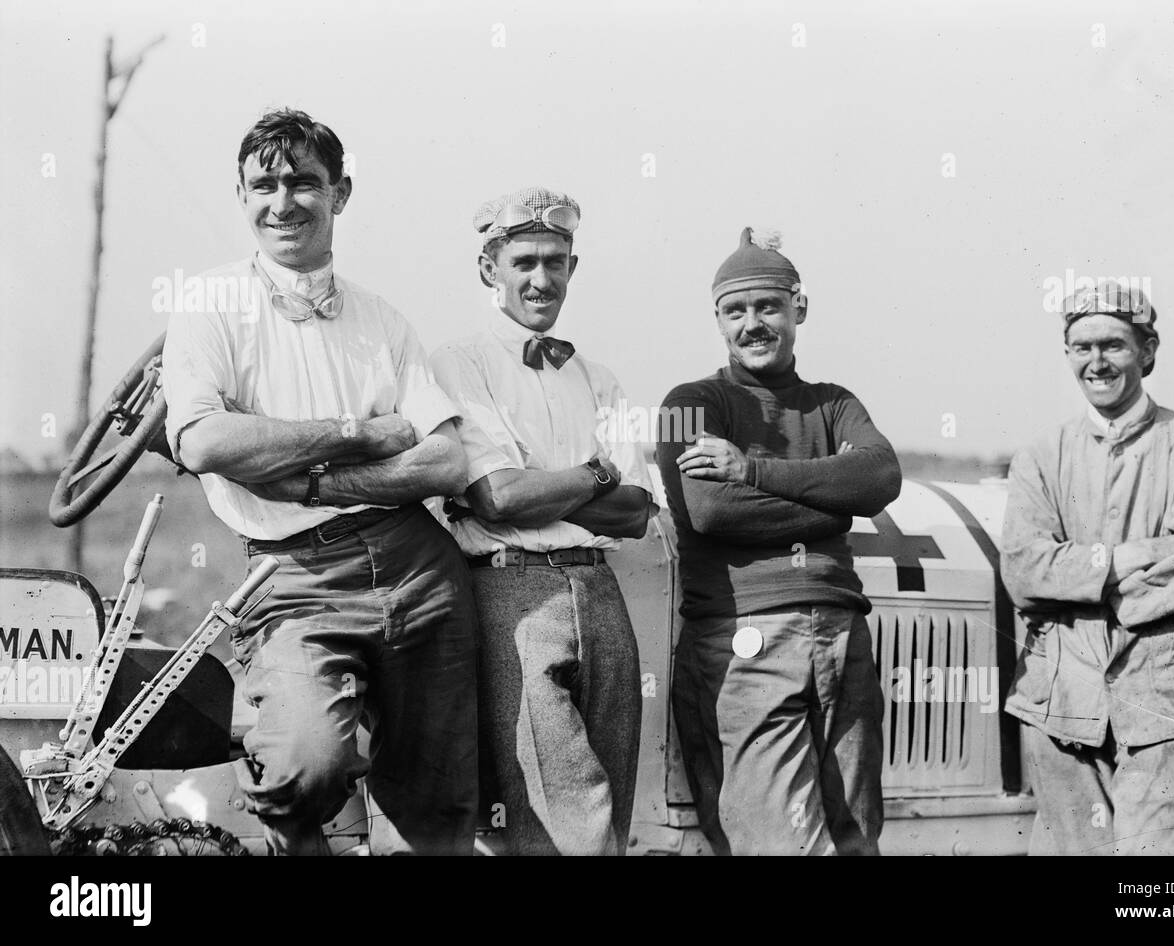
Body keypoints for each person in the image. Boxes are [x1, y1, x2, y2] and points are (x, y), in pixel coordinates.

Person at [160, 108, 478, 855]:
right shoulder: (208, 305)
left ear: (341, 193)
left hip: (419, 565)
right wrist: (361, 432)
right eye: (263, 184)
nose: (283, 203)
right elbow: (205, 440)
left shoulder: (384, 319)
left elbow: (446, 462)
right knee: (306, 766)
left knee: (438, 803)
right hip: (291, 579)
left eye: (304, 182)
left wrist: (305, 482)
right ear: (239, 195)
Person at [655, 227, 902, 855]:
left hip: (845, 637)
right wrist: (832, 506)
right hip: (744, 639)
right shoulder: (688, 403)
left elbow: (880, 477)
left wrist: (754, 471)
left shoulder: (835, 402)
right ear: (717, 319)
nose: (753, 324)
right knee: (775, 841)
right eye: (736, 311)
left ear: (800, 309)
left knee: (855, 836)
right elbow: (710, 510)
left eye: (768, 306)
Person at [429, 186, 655, 855]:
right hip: (514, 595)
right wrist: (596, 473)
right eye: (524, 261)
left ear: (572, 268)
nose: (541, 278)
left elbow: (637, 512)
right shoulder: (459, 364)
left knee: (607, 808)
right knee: (565, 819)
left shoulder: (600, 378)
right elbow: (498, 496)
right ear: (488, 269)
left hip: (601, 593)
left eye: (555, 261)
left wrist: (547, 486)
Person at [1001, 280, 1174, 855]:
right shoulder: (1041, 456)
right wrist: (1129, 559)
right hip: (1060, 708)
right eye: (1081, 348)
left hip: (1170, 707)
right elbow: (1023, 573)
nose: (1096, 361)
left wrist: (1085, 583)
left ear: (1148, 350)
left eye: (1112, 345)